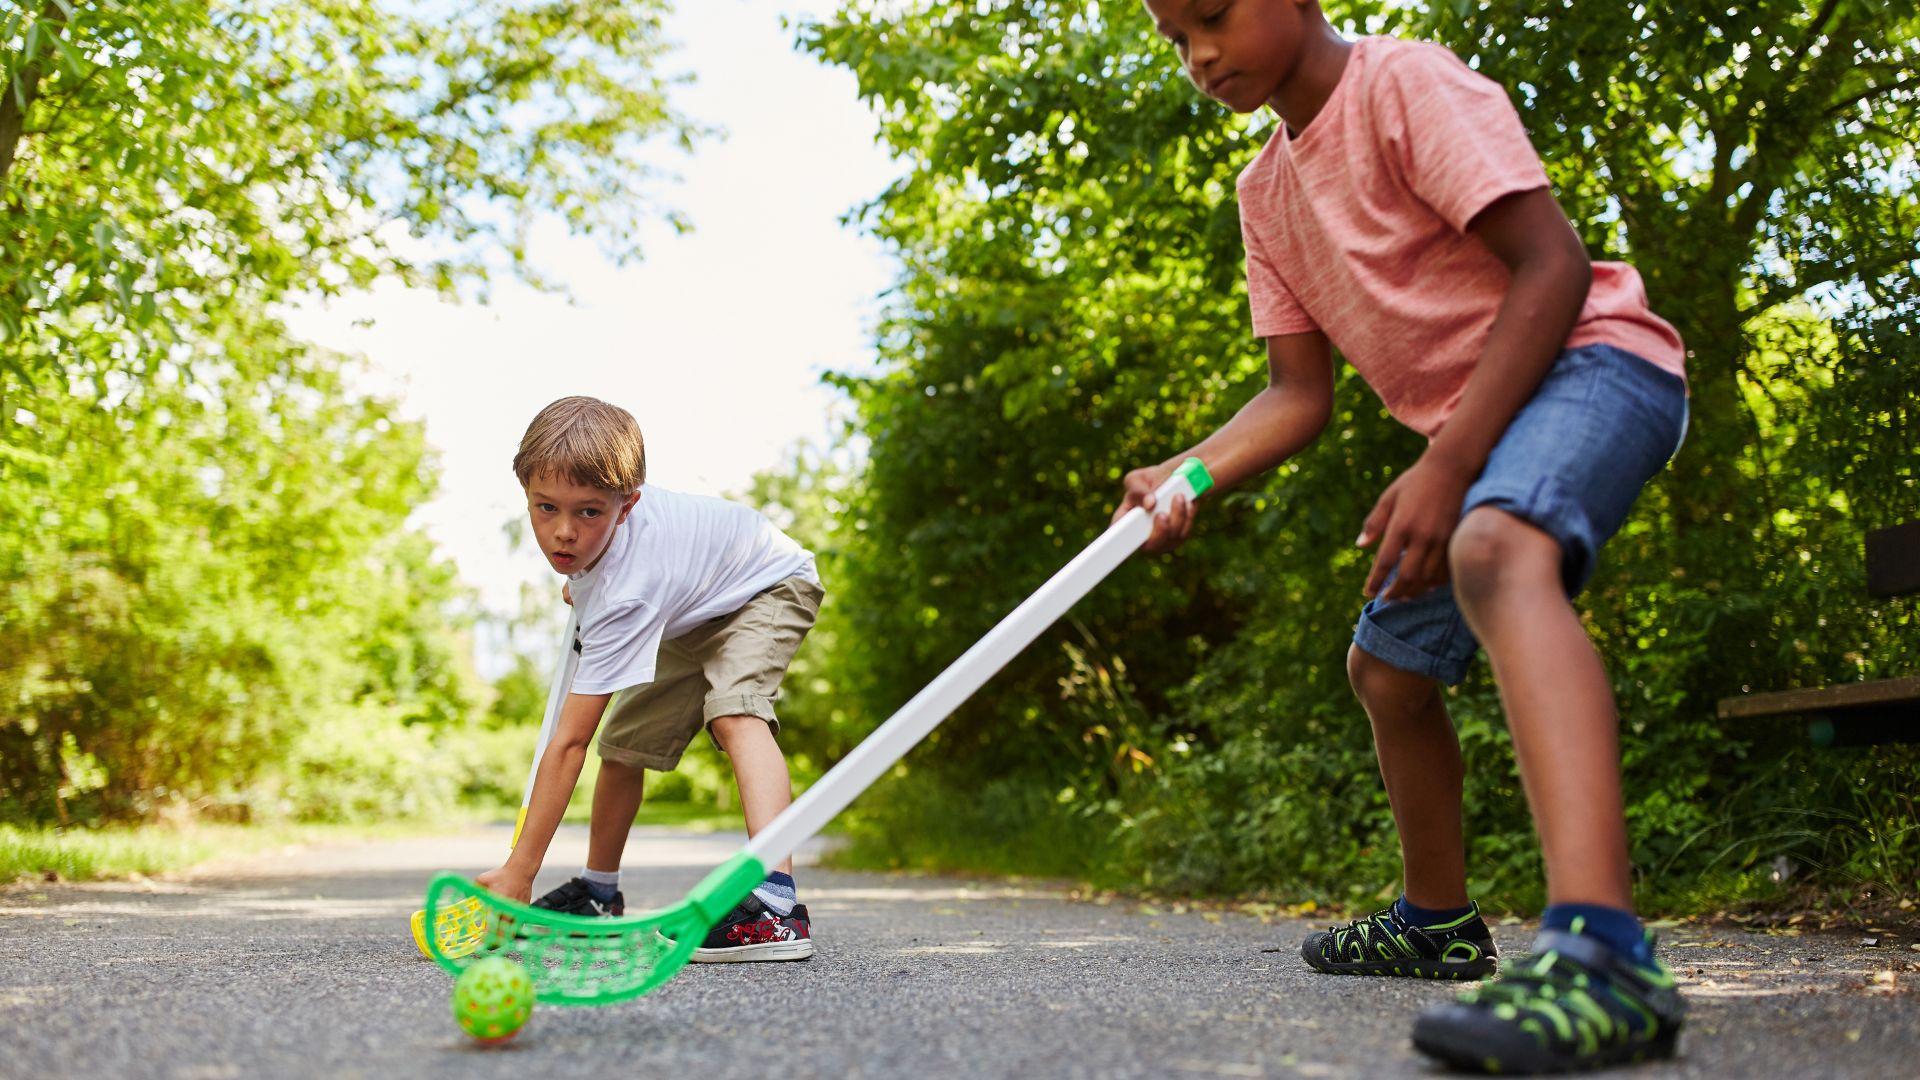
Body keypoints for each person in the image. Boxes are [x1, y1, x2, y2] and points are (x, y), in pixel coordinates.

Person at [1116, 1, 1691, 1071]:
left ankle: (1605, 955)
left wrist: (1448, 465)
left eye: (1212, 16)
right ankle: (1438, 922)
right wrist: (1182, 475)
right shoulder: (1266, 194)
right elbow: (1297, 397)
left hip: (1597, 365)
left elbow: (1553, 267)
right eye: (1171, 39)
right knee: (1386, 669)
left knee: (1492, 552)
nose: (1197, 57)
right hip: (1475, 436)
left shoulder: (1403, 84)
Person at [477, 396, 823, 963]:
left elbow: (567, 745)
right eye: (546, 508)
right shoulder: (614, 574)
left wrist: (521, 870)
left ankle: (775, 905)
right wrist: (586, 578)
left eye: (589, 513)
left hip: (766, 587)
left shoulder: (629, 592)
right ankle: (597, 893)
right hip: (688, 609)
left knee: (737, 709)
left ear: (627, 503)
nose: (563, 533)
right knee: (624, 747)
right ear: (527, 494)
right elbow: (610, 573)